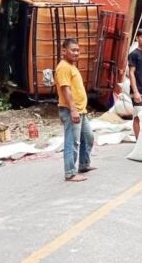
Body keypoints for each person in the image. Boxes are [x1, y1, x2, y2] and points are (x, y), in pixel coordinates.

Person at [55, 38, 95, 182]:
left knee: (88, 137)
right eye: (73, 50)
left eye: (78, 50)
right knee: (72, 141)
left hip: (81, 110)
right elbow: (65, 89)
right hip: (71, 110)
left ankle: (83, 164)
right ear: (64, 51)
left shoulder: (71, 66)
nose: (76, 53)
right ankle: (70, 172)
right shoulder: (63, 67)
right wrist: (73, 110)